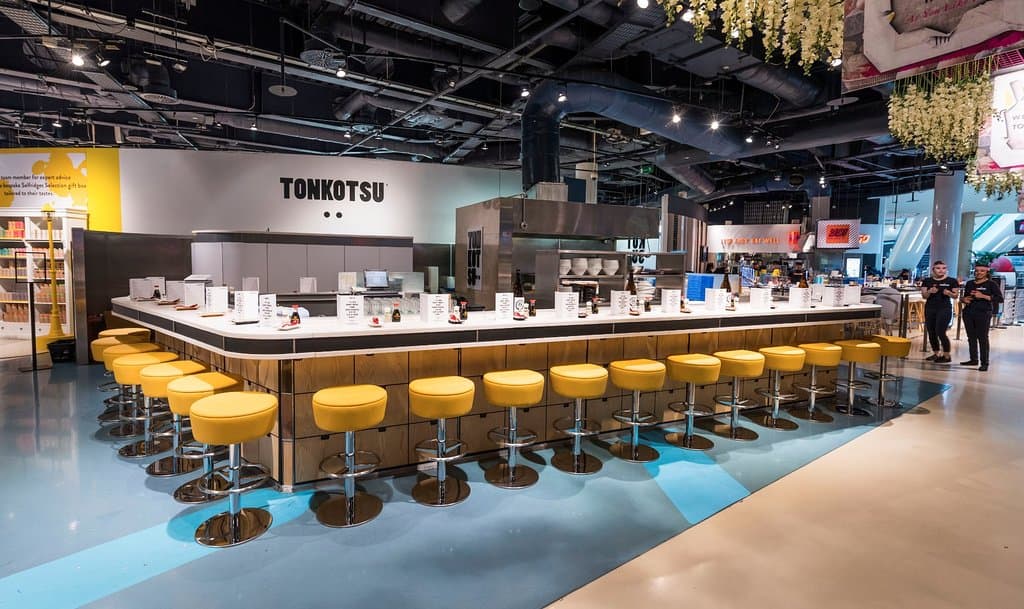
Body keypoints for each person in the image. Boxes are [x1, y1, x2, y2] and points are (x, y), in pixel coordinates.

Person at [959, 262, 1003, 372]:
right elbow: (965, 297)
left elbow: (1000, 299)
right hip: (968, 313)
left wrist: (983, 296)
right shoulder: (969, 283)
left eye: (982, 271)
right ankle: (973, 359)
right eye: (977, 270)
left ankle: (984, 362)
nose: (979, 273)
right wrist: (963, 300)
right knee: (971, 337)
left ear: (987, 271)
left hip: (983, 313)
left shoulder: (991, 284)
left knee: (982, 338)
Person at [919, 260, 959, 363]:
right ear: (933, 270)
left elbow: (955, 296)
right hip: (930, 308)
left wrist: (949, 293)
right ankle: (936, 353)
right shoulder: (927, 281)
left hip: (944, 308)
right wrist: (929, 291)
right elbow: (924, 296)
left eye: (944, 268)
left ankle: (946, 355)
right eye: (938, 268)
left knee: (940, 331)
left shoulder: (952, 281)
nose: (941, 270)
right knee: (931, 331)